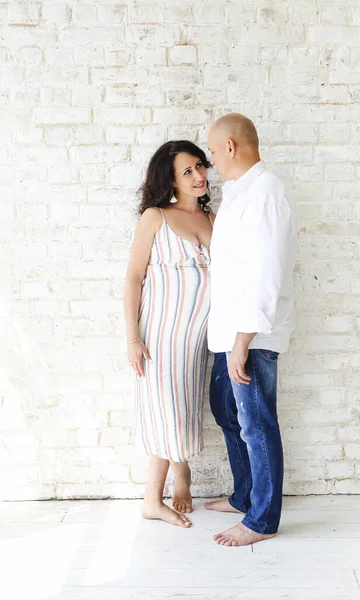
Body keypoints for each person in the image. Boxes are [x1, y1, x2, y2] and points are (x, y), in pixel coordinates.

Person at [204, 113, 298, 546]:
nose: (210, 162)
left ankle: (262, 520)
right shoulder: (241, 194)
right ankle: (245, 495)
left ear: (230, 147)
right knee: (229, 414)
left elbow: (266, 274)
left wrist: (243, 340)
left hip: (251, 335)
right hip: (230, 332)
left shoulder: (267, 193)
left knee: (257, 423)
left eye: (212, 150)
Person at [124, 140, 214, 528]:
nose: (198, 176)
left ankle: (182, 476)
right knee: (165, 413)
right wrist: (132, 338)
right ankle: (152, 498)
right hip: (160, 336)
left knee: (183, 408)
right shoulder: (156, 217)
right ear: (171, 181)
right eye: (187, 172)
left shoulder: (214, 219)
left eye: (200, 166)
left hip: (197, 340)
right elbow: (133, 277)